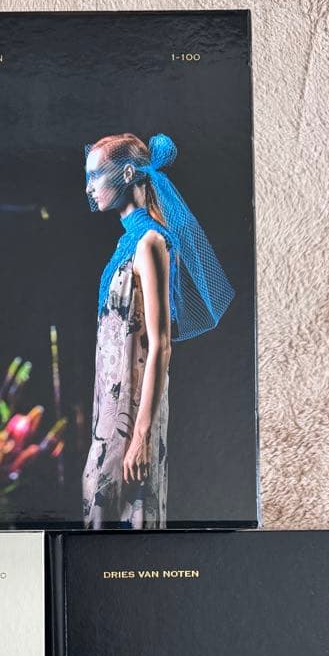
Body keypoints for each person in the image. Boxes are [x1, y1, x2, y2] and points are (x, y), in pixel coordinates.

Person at [81, 131, 234, 528]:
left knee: (127, 511)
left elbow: (161, 345)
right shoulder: (128, 242)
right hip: (110, 402)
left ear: (127, 174)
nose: (89, 187)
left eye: (96, 175)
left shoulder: (151, 242)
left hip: (132, 410)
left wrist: (141, 436)